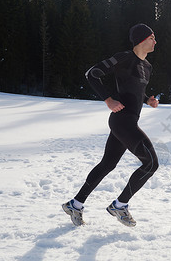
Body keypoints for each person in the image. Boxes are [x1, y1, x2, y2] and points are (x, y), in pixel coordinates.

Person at [62, 23, 159, 227]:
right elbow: (92, 73)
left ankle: (75, 204)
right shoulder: (123, 58)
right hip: (121, 120)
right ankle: (120, 205)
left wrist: (147, 100)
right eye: (152, 37)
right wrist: (108, 99)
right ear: (141, 39)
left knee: (108, 164)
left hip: (128, 121)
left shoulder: (147, 67)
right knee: (151, 163)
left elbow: (135, 92)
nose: (155, 41)